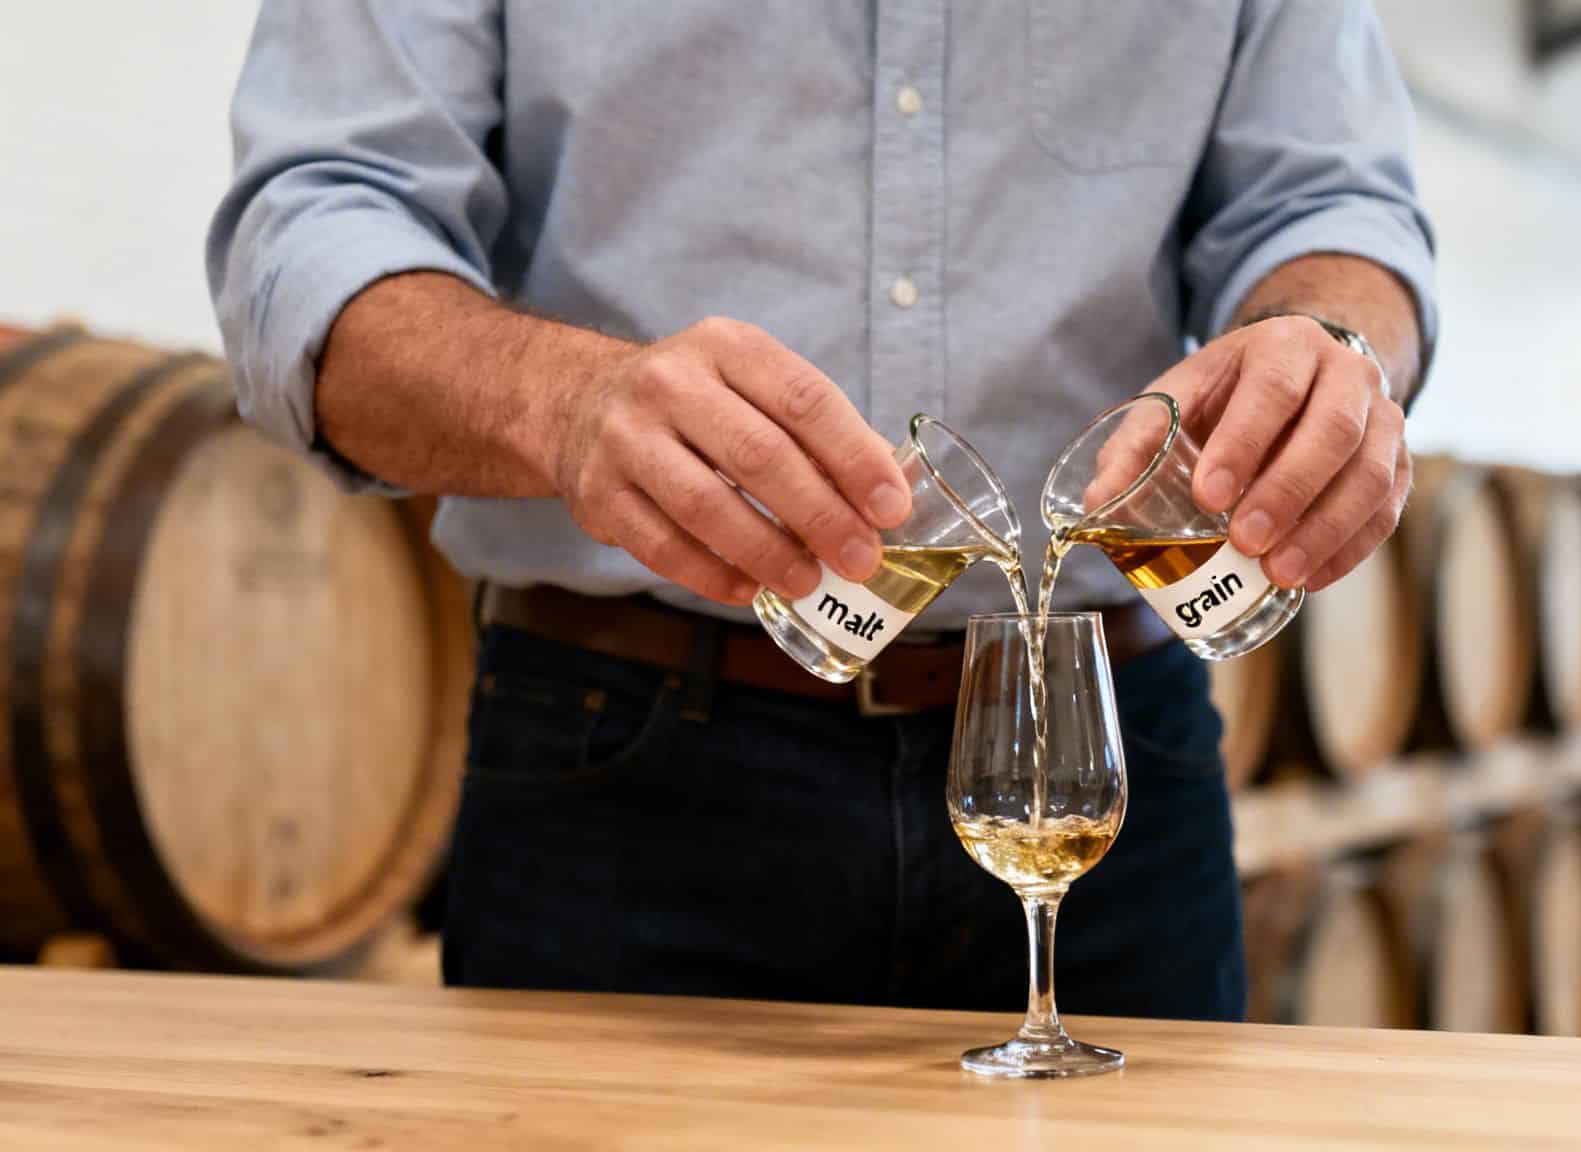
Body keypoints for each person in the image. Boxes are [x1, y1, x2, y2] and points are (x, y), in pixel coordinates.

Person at [208, 1, 1436, 1022]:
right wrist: (564, 403)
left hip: (1108, 753)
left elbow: (1330, 210)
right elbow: (314, 228)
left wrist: (1325, 340)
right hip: (621, 764)